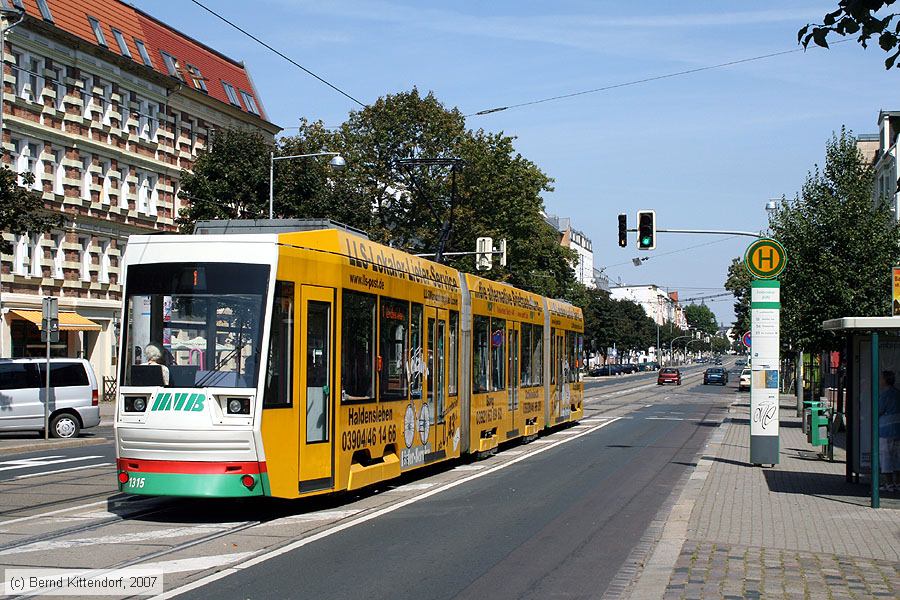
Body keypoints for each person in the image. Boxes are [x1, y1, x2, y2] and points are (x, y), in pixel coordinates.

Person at [878, 370, 900, 492]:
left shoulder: (884, 395)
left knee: (886, 457)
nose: (880, 381)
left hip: (886, 430)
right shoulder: (897, 393)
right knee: (897, 457)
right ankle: (898, 482)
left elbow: (879, 409)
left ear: (885, 380)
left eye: (881, 379)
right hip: (898, 429)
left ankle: (889, 483)